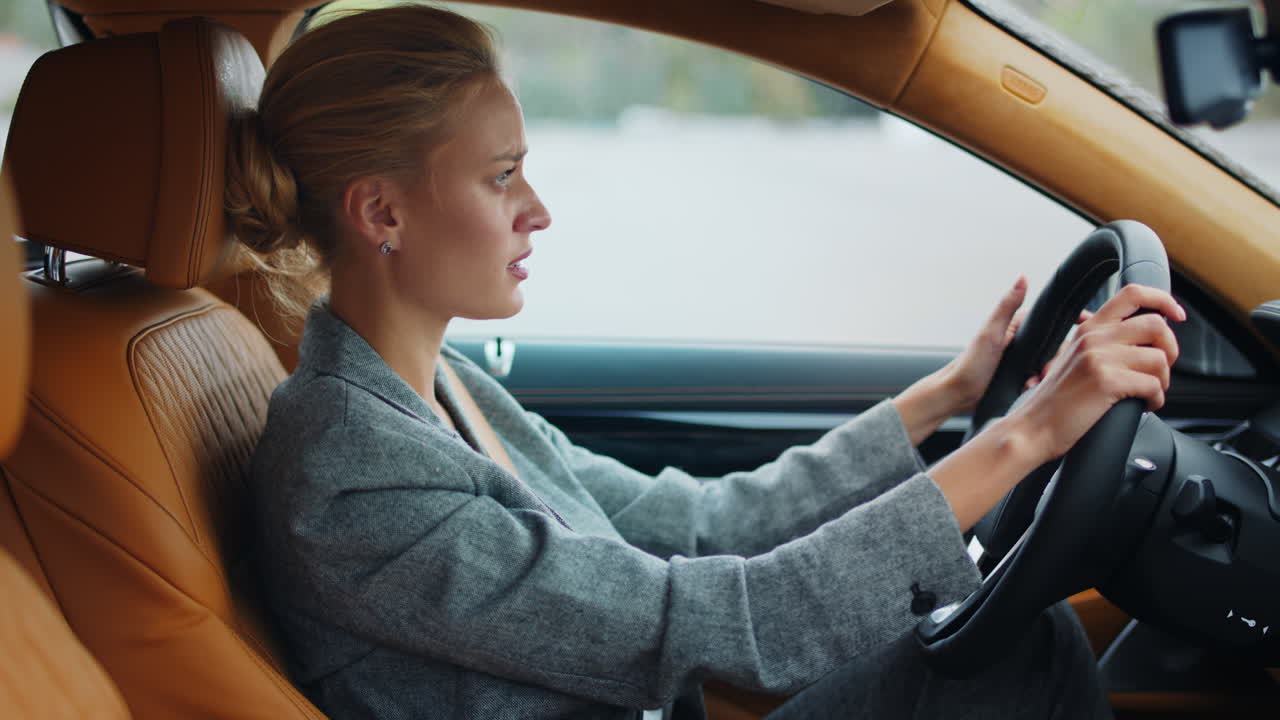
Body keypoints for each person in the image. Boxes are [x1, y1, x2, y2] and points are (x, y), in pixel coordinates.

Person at [227, 5, 1183, 719]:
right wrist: (1023, 438)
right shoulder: (351, 474)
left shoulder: (441, 389)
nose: (538, 210)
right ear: (380, 212)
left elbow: (694, 522)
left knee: (1010, 634)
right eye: (501, 175)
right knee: (1027, 651)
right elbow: (729, 619)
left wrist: (951, 397)